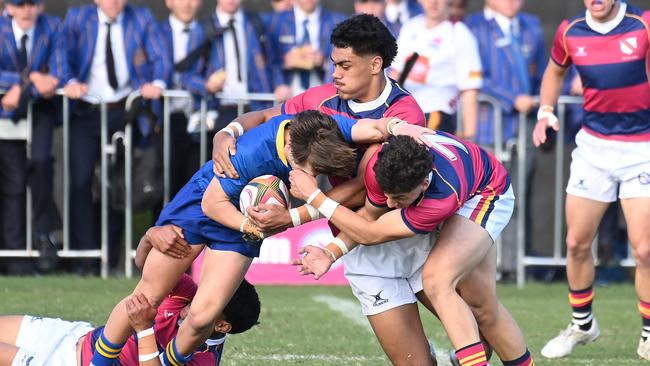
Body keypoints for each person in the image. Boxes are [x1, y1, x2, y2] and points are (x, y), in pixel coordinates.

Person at [90, 110, 431, 366]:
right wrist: (252, 229)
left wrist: (398, 127)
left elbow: (369, 126)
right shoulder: (254, 152)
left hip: (244, 218)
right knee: (147, 298)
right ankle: (98, 362)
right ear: (290, 150)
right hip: (203, 207)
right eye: (309, 171)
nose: (309, 179)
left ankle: (166, 364)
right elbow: (213, 204)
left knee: (204, 316)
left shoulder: (324, 130)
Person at [212, 14, 450, 365]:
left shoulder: (405, 114)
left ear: (375, 64)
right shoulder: (323, 99)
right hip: (357, 240)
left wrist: (293, 216)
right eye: (334, 63)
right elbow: (268, 118)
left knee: (478, 336)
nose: (335, 73)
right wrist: (229, 131)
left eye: (344, 65)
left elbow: (367, 188)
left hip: (413, 237)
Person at [290, 134, 535, 366]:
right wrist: (331, 252)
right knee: (471, 309)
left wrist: (313, 195)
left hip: (486, 192)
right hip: (462, 179)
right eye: (387, 194)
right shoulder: (383, 165)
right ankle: (478, 347)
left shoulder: (439, 199)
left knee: (444, 285)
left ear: (424, 183)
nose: (390, 204)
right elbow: (371, 218)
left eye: (399, 197)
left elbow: (370, 233)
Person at [532, 0, 650, 360]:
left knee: (644, 249)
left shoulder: (642, 25)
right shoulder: (570, 32)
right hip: (593, 149)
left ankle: (648, 334)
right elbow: (554, 72)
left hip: (641, 148)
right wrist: (545, 112)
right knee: (576, 243)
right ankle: (582, 325)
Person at [0, 246, 260, 366]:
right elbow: (148, 265)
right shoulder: (189, 292)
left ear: (221, 325)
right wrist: (151, 239)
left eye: (212, 299)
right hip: (79, 335)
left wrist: (144, 328)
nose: (198, 297)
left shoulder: (202, 359)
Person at [61, 0, 171, 274]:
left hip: (125, 109)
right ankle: (85, 259)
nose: (115, 2)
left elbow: (161, 57)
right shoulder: (77, 17)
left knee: (123, 183)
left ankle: (116, 257)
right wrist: (69, 81)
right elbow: (60, 55)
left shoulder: (140, 17)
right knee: (80, 181)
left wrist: (156, 84)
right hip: (85, 109)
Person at [465, 0, 546, 278]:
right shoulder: (472, 27)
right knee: (485, 199)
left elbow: (544, 72)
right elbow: (472, 76)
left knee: (517, 198)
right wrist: (512, 99)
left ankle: (513, 266)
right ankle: (484, 266)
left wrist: (542, 104)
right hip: (488, 127)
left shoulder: (531, 25)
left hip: (524, 126)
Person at [0, 0, 64, 274]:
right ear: (9, 7)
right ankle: (14, 255)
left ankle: (43, 237)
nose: (26, 9)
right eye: (20, 3)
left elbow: (58, 74)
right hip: (6, 113)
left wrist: (25, 88)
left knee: (41, 165)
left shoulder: (52, 27)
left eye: (32, 3)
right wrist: (31, 80)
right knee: (12, 181)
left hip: (40, 112)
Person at [389, 0, 482, 135]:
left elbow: (470, 89)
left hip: (436, 113)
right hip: (403, 112)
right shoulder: (411, 26)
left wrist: (470, 137)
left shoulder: (459, 33)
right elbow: (395, 72)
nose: (434, 2)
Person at [158, 0, 203, 203]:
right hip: (162, 117)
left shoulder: (206, 32)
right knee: (163, 182)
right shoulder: (157, 32)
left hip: (196, 117)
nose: (187, 4)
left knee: (193, 182)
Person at [265, 0, 345, 100]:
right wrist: (284, 63)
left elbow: (345, 60)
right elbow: (265, 59)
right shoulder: (275, 21)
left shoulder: (336, 21)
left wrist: (324, 62)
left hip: (322, 95)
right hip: (287, 94)